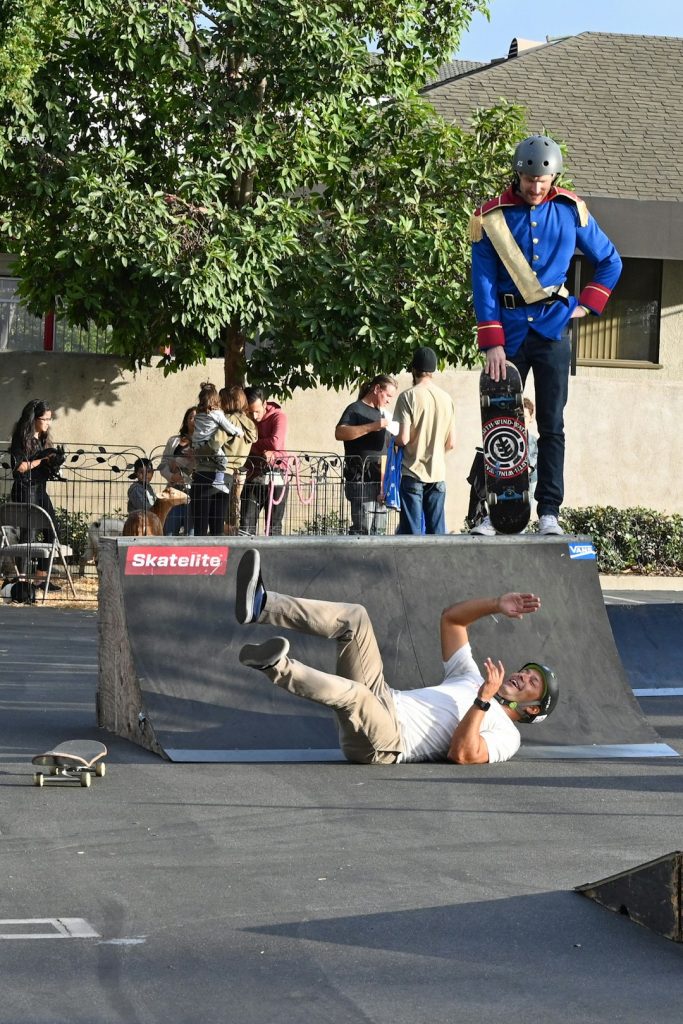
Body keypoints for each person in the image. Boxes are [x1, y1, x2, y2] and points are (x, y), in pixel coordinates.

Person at [234, 549, 558, 765]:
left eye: (533, 683)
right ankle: (262, 605)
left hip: (387, 743)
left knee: (356, 696)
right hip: (386, 697)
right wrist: (496, 604)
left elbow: (462, 753)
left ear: (531, 709)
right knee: (355, 618)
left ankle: (276, 665)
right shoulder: (471, 677)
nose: (523, 676)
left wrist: (483, 701)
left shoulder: (508, 736)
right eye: (527, 671)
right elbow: (452, 620)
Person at [470, 134, 622, 537]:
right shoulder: (491, 217)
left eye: (543, 180)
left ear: (553, 177)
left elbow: (610, 260)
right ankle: (493, 511)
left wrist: (586, 304)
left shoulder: (571, 211)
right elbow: (483, 283)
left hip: (553, 331)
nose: (535, 187)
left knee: (552, 425)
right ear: (517, 175)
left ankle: (549, 511)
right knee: (500, 424)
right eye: (528, 179)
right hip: (510, 333)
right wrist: (492, 341)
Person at [393, 347, 456, 535]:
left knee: (412, 536)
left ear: (413, 370)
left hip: (412, 472)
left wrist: (393, 441)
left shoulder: (408, 396)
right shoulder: (447, 398)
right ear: (433, 371)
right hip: (438, 474)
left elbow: (403, 438)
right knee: (437, 535)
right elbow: (451, 443)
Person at [9, 398, 66, 591]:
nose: (48, 423)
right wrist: (42, 460)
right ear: (34, 418)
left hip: (40, 489)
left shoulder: (42, 439)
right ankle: (23, 582)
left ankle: (40, 579)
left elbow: (45, 463)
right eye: (46, 419)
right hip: (25, 490)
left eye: (50, 419)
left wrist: (54, 461)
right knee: (29, 534)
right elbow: (19, 468)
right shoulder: (20, 439)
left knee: (53, 530)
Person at [335, 374, 398, 535]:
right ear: (376, 389)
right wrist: (372, 426)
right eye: (388, 395)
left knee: (380, 531)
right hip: (361, 480)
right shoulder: (355, 409)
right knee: (362, 530)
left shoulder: (385, 415)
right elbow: (340, 432)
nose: (389, 400)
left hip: (381, 481)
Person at [190, 382, 244, 536]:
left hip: (203, 468)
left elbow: (212, 443)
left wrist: (199, 452)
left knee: (201, 523)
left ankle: (201, 554)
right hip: (226, 476)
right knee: (217, 524)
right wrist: (238, 432)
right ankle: (216, 555)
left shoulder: (200, 414)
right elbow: (227, 430)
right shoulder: (222, 416)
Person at [240, 387, 289, 536]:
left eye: (257, 411)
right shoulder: (242, 418)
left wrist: (251, 444)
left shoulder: (279, 417)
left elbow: (275, 442)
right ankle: (246, 557)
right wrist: (262, 447)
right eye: (249, 412)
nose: (254, 416)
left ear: (265, 404)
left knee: (274, 526)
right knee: (246, 525)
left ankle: (274, 558)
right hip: (252, 474)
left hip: (277, 474)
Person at [219, 386, 258, 535]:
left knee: (218, 519)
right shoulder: (249, 423)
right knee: (232, 519)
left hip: (223, 473)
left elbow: (216, 443)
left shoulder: (228, 421)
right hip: (239, 475)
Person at [158, 406, 196, 536]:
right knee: (169, 532)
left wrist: (185, 476)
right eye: (191, 417)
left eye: (197, 418)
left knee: (191, 536)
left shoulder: (203, 444)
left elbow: (202, 468)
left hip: (192, 494)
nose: (193, 420)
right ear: (185, 421)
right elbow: (162, 465)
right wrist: (171, 476)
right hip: (173, 492)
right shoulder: (173, 441)